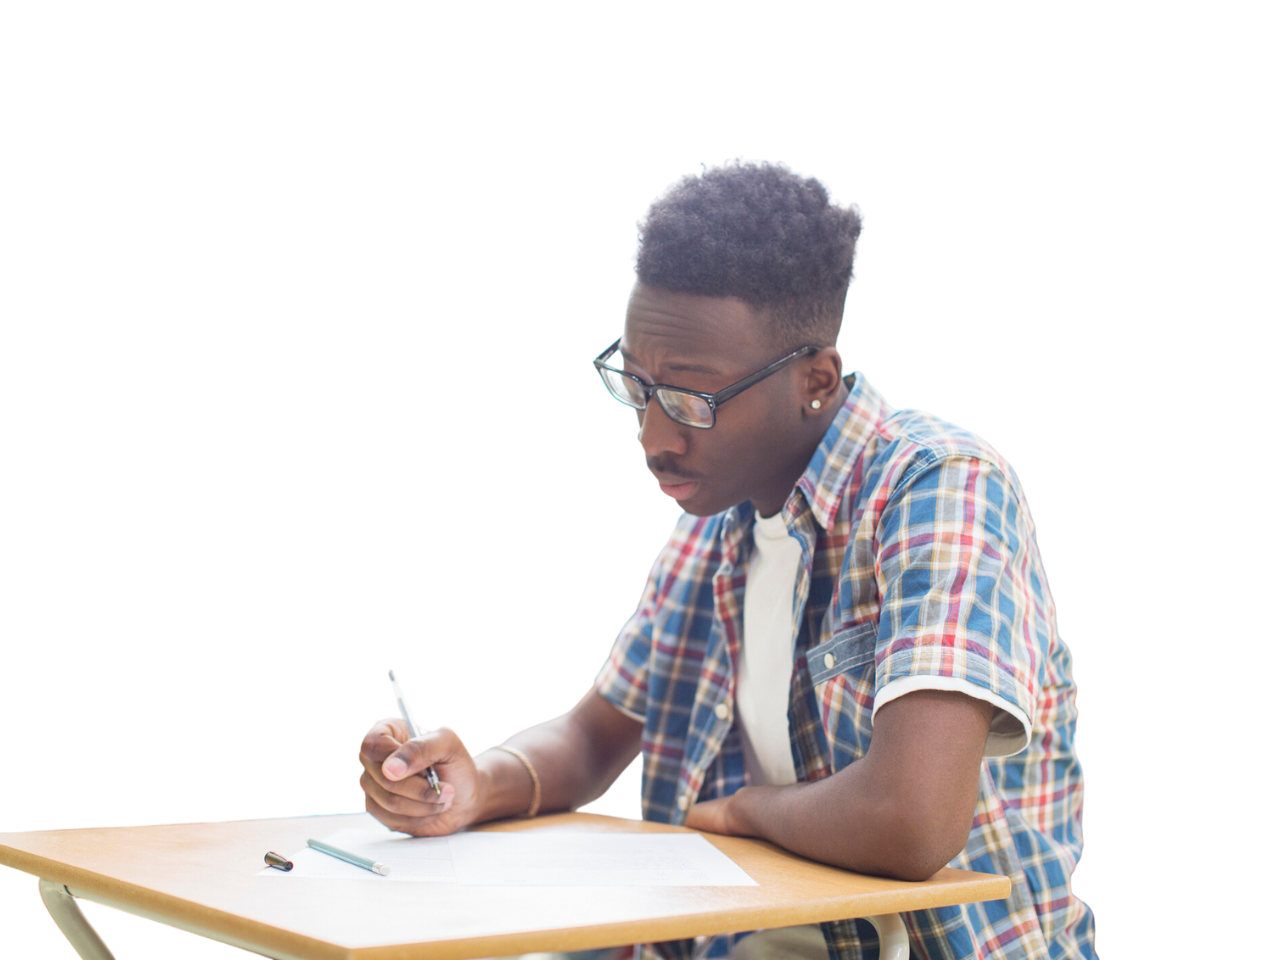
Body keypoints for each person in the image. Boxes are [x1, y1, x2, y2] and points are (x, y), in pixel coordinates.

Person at [357, 157, 1093, 960]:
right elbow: (592, 738)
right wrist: (475, 784)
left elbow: (911, 819)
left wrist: (746, 812)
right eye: (637, 387)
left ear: (815, 381)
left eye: (692, 399)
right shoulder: (717, 522)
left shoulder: (940, 488)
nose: (653, 438)